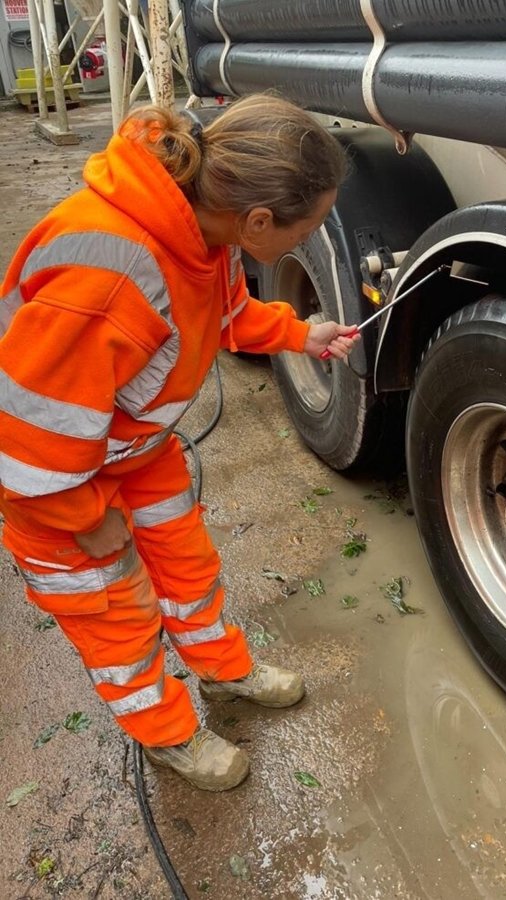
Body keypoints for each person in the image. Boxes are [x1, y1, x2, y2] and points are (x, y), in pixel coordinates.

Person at [0, 94, 359, 792]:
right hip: (55, 486)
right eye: (310, 226)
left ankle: (222, 670)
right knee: (118, 617)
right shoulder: (106, 280)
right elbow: (25, 434)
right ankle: (166, 733)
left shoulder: (202, 230)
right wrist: (83, 519)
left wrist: (299, 334)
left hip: (130, 448)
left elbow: (224, 311)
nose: (310, 238)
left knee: (189, 566)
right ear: (259, 221)